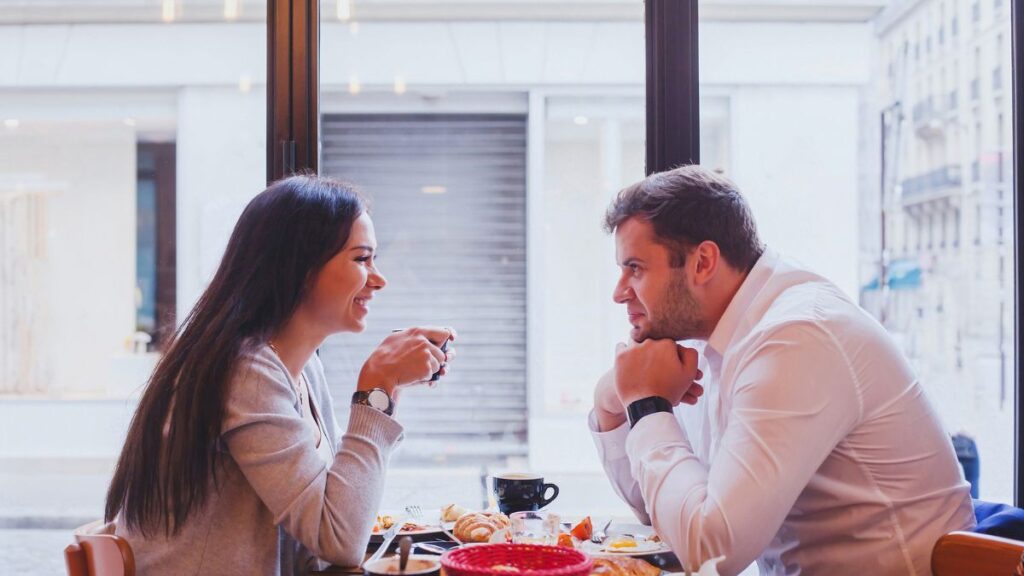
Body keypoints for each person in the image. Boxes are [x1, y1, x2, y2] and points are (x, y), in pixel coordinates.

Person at [590, 166, 974, 575]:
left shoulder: (797, 337)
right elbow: (663, 512)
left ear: (702, 262)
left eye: (636, 268)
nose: (618, 292)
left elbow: (710, 552)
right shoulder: (715, 339)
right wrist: (613, 402)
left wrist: (647, 406)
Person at [104, 175, 455, 575]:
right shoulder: (245, 372)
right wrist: (378, 388)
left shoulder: (303, 367)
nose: (378, 279)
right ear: (298, 266)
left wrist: (384, 387)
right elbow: (340, 540)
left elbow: (335, 509)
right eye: (362, 259)